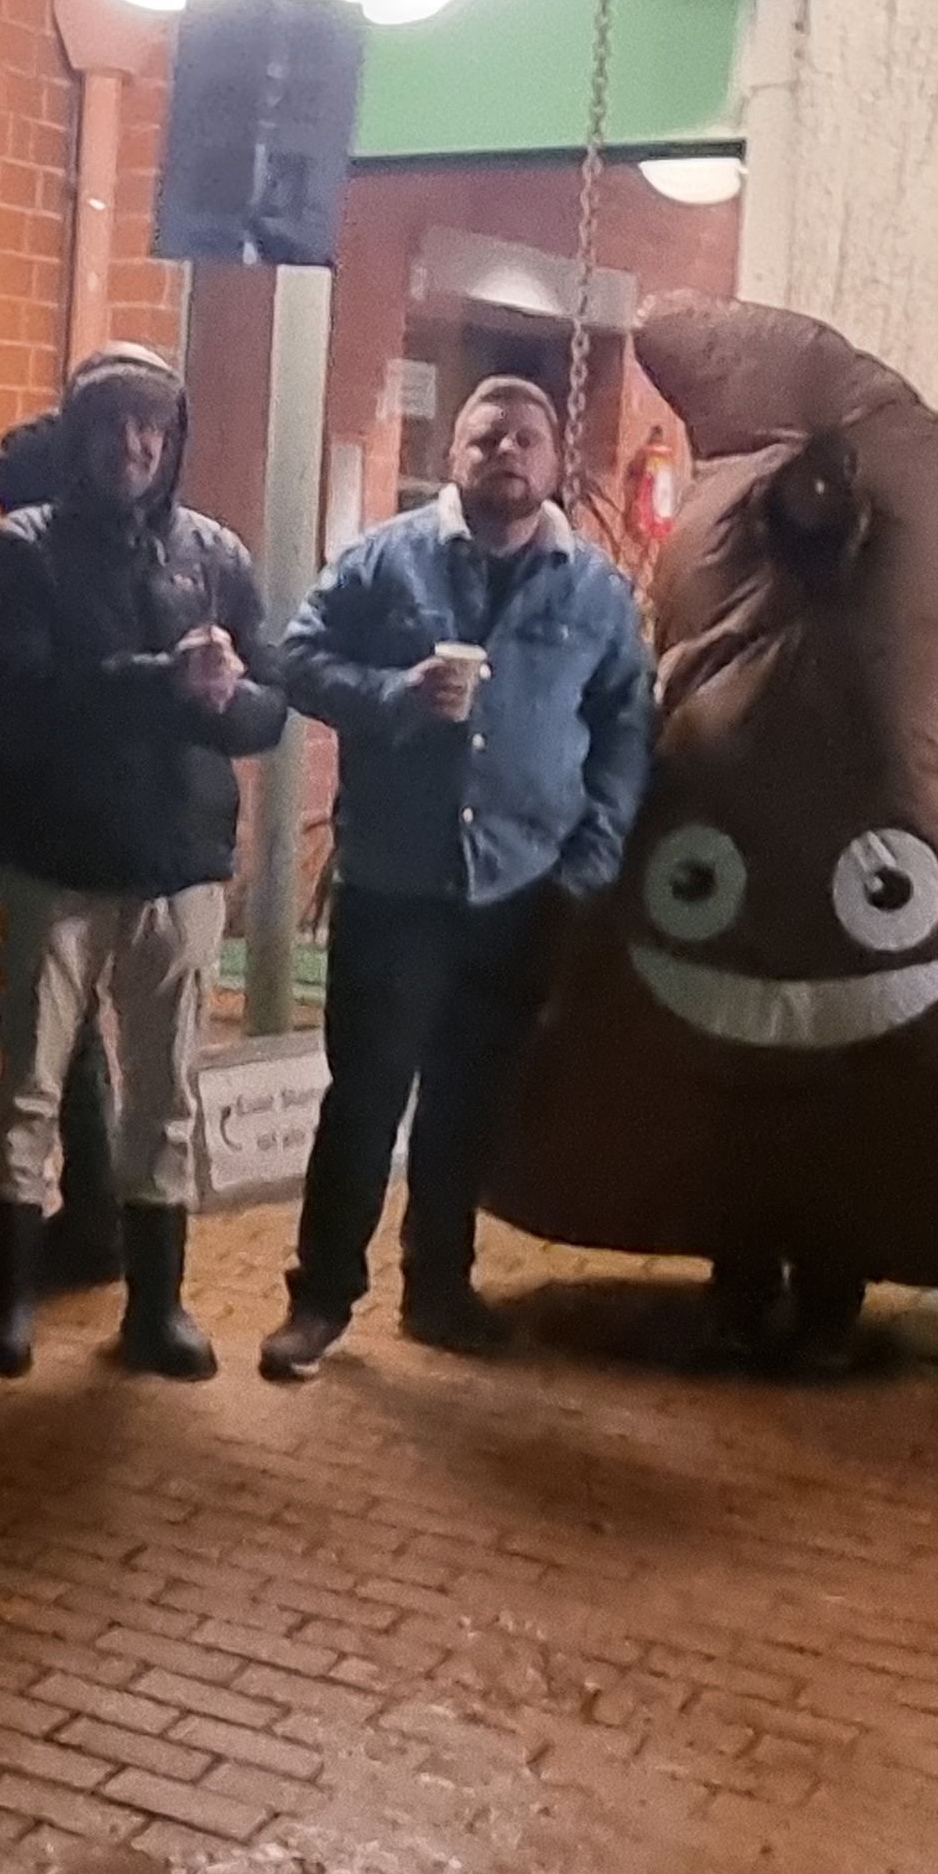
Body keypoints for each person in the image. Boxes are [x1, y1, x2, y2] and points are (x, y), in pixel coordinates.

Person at [262, 373, 652, 1378]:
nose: (504, 453)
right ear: (456, 453)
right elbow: (299, 659)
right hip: (396, 885)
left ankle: (438, 1290)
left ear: (555, 461)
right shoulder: (385, 563)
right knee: (366, 1095)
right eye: (485, 438)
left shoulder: (597, 593)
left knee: (467, 1100)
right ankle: (321, 1301)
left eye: (524, 438)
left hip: (521, 893)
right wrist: (393, 694)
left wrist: (594, 853)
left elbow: (623, 727)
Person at [0, 345, 288, 1382]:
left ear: (173, 439)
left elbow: (268, 709)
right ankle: (5, 1303)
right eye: (115, 425)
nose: (135, 445)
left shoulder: (217, 555)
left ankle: (158, 1307)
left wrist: (225, 696)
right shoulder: (22, 550)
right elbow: (15, 697)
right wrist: (162, 680)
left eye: (154, 427)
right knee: (29, 1088)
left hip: (178, 863)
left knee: (166, 1094)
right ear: (79, 435)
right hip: (53, 858)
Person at [0, 401, 127, 1293]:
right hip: (70, 823)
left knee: (52, 1038)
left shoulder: (40, 571)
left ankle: (93, 1215)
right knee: (72, 1037)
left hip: (50, 829)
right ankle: (97, 1209)